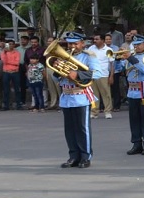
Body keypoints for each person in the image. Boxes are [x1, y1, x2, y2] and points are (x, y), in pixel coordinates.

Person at [54, 31, 98, 168]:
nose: (72, 46)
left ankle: (85, 156)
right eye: (70, 43)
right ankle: (73, 156)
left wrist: (77, 74)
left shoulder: (88, 57)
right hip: (67, 96)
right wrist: (57, 69)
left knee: (82, 128)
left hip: (81, 96)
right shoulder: (64, 57)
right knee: (69, 129)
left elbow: (95, 73)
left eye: (75, 43)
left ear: (82, 44)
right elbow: (56, 78)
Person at [125, 35, 144, 156]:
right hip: (132, 91)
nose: (136, 46)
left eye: (139, 44)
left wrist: (131, 59)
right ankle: (136, 143)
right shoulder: (132, 57)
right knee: (134, 119)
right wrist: (122, 60)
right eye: (135, 44)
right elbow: (126, 71)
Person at [87, 33, 114, 119]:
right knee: (93, 94)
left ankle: (108, 111)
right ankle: (94, 112)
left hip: (103, 75)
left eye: (97, 39)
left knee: (106, 94)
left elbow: (112, 64)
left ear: (102, 40)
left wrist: (111, 76)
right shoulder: (91, 48)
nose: (95, 41)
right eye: (94, 39)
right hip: (92, 74)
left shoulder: (109, 50)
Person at [0, 39, 22, 111]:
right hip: (6, 72)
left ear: (14, 45)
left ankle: (19, 105)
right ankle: (6, 106)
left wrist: (9, 62)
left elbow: (17, 63)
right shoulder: (3, 52)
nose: (11, 45)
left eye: (12, 44)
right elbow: (4, 61)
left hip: (15, 72)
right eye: (9, 44)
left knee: (17, 89)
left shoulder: (17, 52)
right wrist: (6, 53)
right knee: (6, 90)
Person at [105, 33, 124, 112]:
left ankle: (117, 106)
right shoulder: (102, 49)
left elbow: (119, 59)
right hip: (105, 71)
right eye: (106, 39)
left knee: (116, 89)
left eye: (109, 39)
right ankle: (105, 106)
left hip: (115, 71)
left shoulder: (116, 48)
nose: (108, 40)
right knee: (105, 89)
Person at [44, 36, 60, 110]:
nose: (49, 42)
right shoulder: (47, 49)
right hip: (48, 68)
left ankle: (61, 103)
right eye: (48, 41)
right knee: (51, 87)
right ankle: (53, 103)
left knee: (58, 87)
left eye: (50, 41)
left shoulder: (58, 49)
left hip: (55, 69)